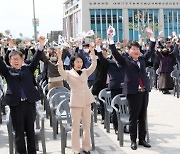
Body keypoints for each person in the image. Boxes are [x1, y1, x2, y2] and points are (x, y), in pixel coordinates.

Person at [108, 27, 155, 150]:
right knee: (133, 118)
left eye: (138, 49)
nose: (136, 51)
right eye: (133, 49)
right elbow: (115, 53)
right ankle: (133, 141)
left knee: (143, 117)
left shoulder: (142, 59)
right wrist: (111, 39)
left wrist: (152, 37)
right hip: (133, 92)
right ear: (129, 51)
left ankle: (142, 139)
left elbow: (150, 51)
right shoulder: (125, 61)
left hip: (144, 92)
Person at [0, 36, 45, 154]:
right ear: (9, 61)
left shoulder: (28, 69)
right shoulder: (8, 72)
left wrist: (40, 45)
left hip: (29, 104)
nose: (15, 61)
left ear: (22, 59)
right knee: (19, 133)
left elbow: (36, 58)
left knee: (30, 131)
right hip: (16, 105)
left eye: (17, 59)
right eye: (13, 59)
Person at [57, 43, 97, 154]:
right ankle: (75, 149)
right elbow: (61, 71)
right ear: (73, 63)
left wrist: (93, 53)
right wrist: (60, 58)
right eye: (77, 62)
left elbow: (93, 66)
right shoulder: (69, 74)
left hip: (87, 101)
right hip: (75, 102)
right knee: (75, 127)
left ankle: (86, 147)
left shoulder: (85, 72)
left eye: (81, 62)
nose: (79, 64)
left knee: (86, 125)